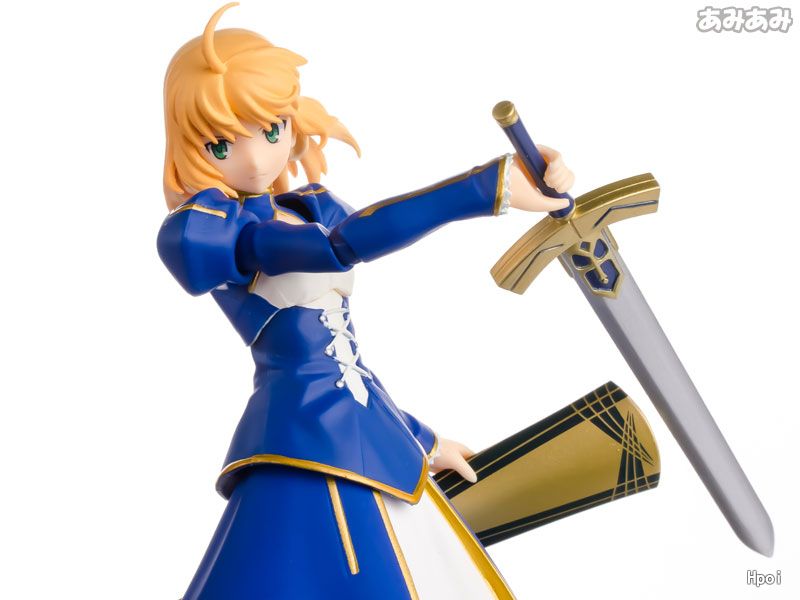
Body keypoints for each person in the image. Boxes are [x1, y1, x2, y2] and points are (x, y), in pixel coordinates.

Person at [158, 4, 574, 598]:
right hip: (299, 446)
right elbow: (341, 249)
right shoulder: (212, 233)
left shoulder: (309, 207)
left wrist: (421, 438)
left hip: (356, 433)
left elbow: (341, 362)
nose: (255, 158)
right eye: (222, 143)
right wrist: (490, 188)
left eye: (271, 130)